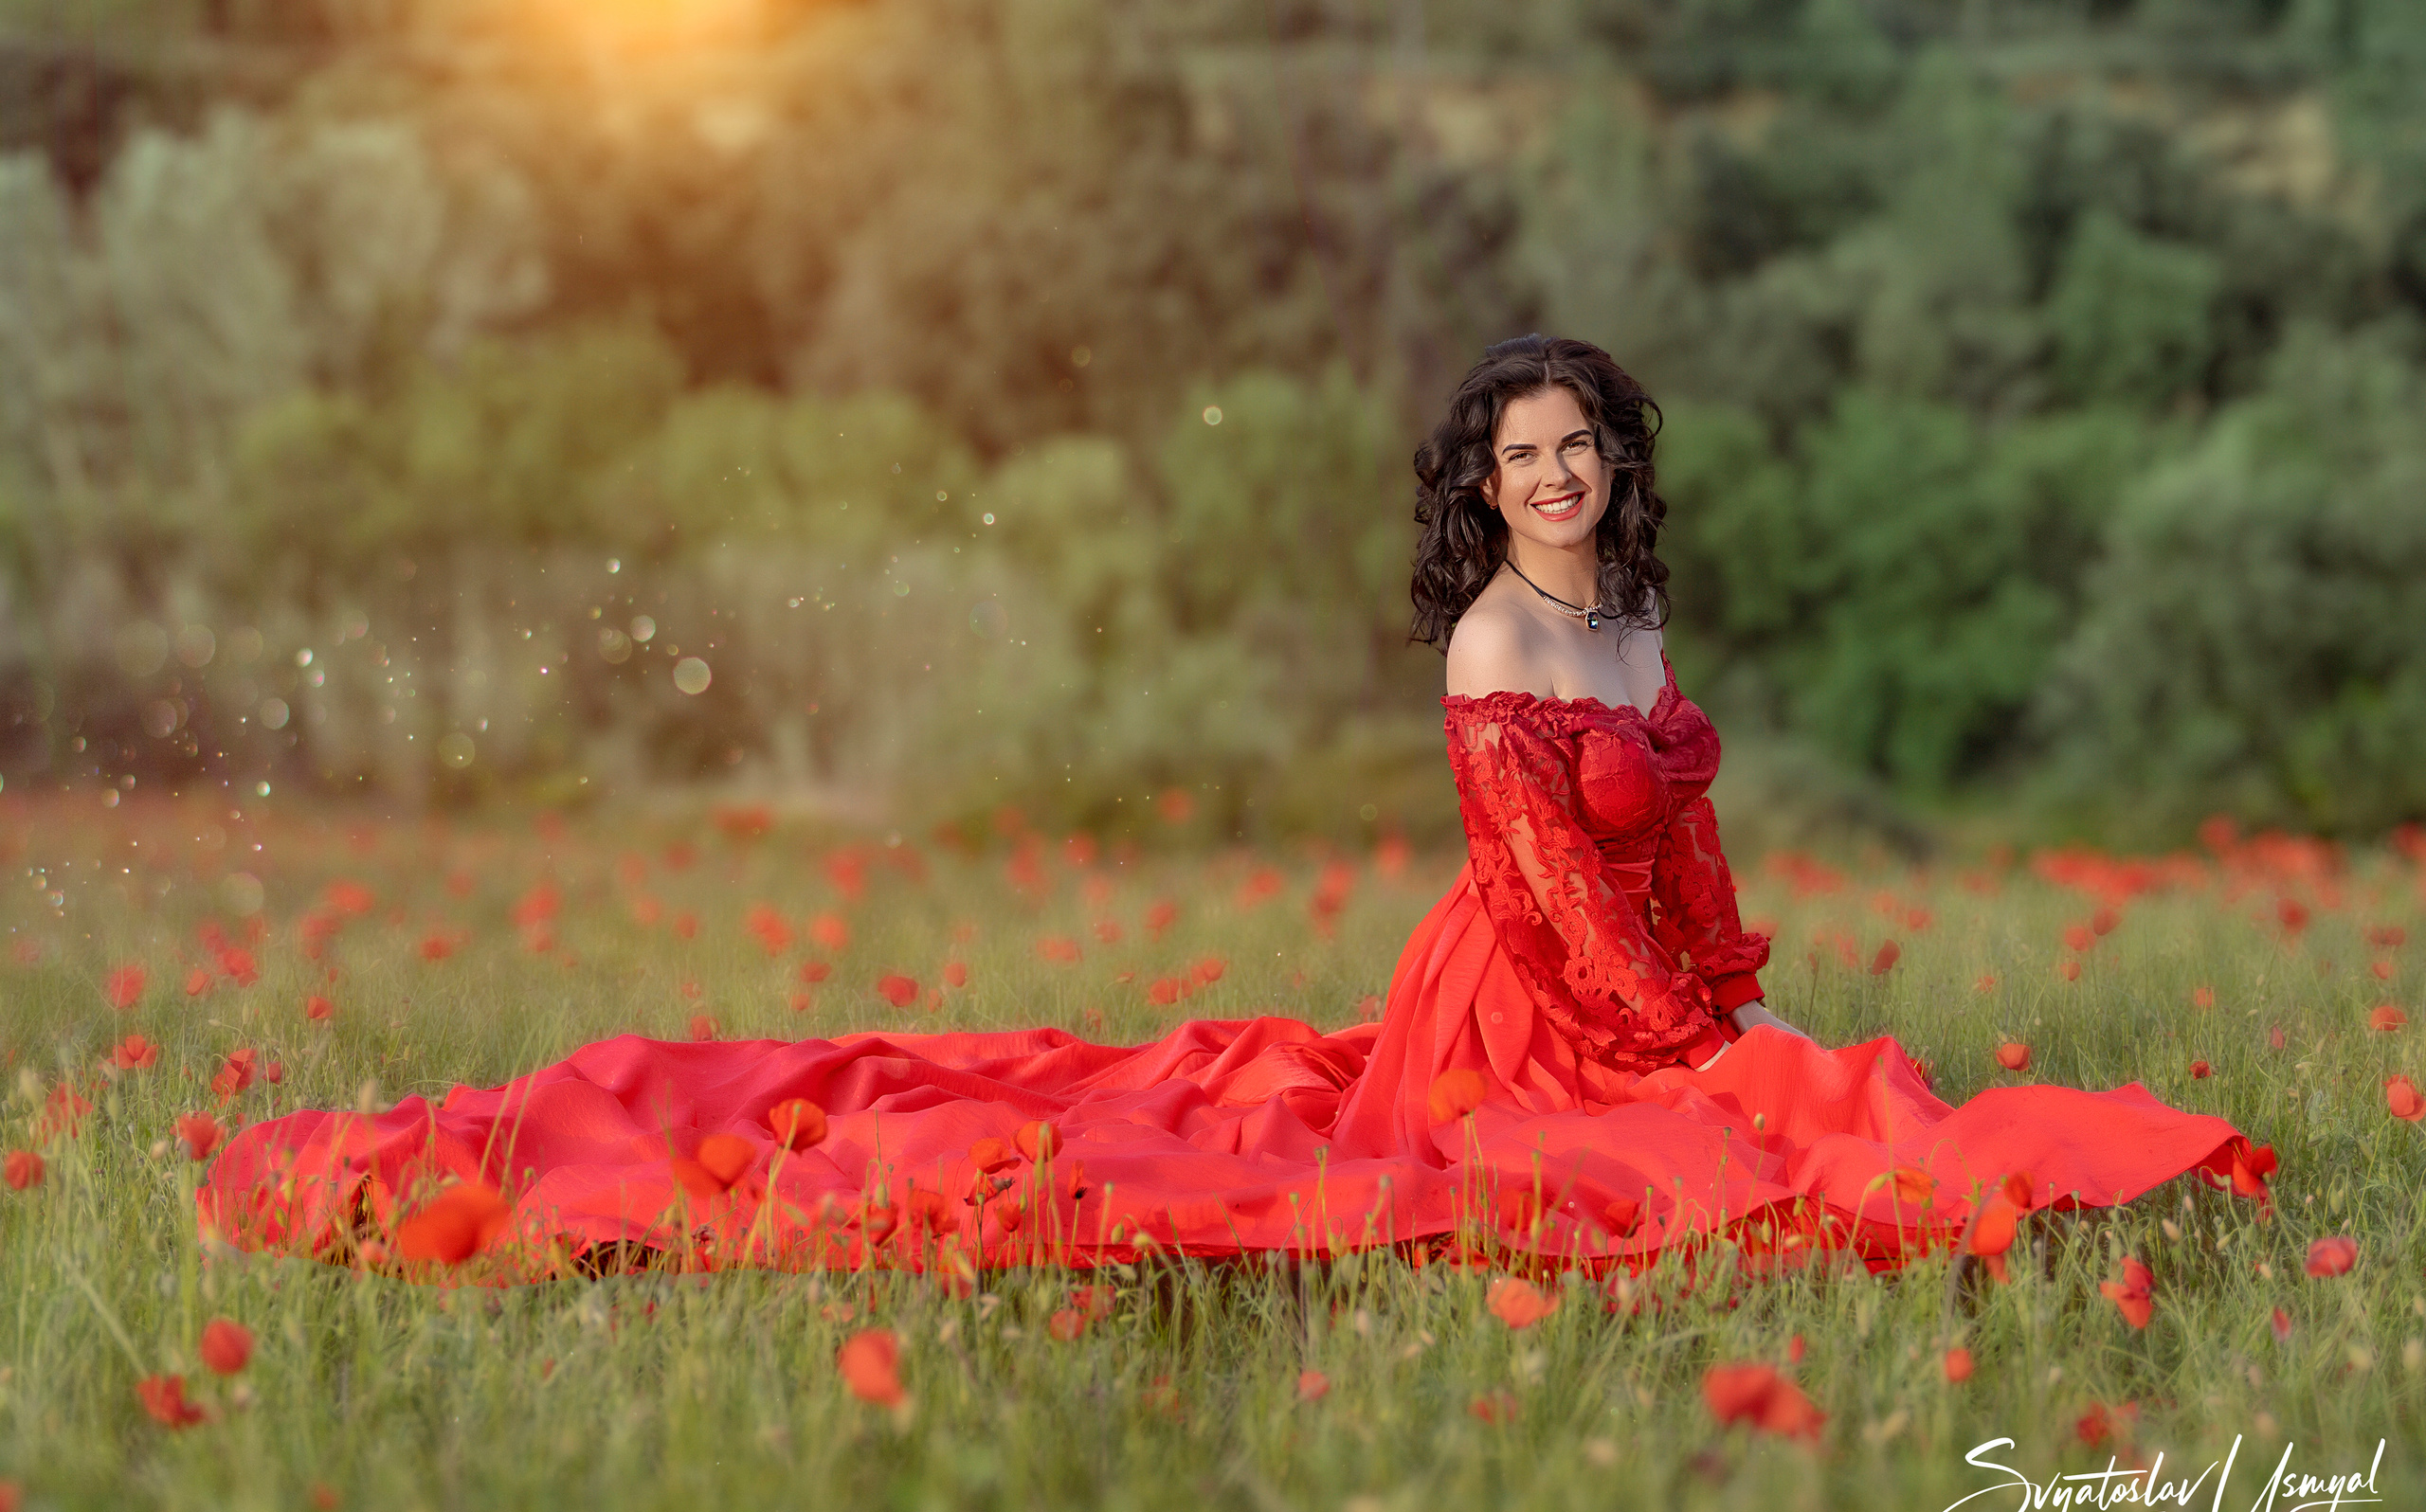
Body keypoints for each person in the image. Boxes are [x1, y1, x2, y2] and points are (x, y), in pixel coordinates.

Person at [198, 334, 2272, 1283]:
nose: (1550, 475)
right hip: (1528, 989)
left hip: (1634, 956)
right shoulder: (1490, 653)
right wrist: (1675, 1027)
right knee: (1728, 1125)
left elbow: (1672, 828)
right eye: (1518, 455)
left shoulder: (1631, 601)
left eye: (1574, 448)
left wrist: (1722, 967)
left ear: (1609, 466)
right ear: (1478, 483)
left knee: (1787, 1083)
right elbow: (1546, 883)